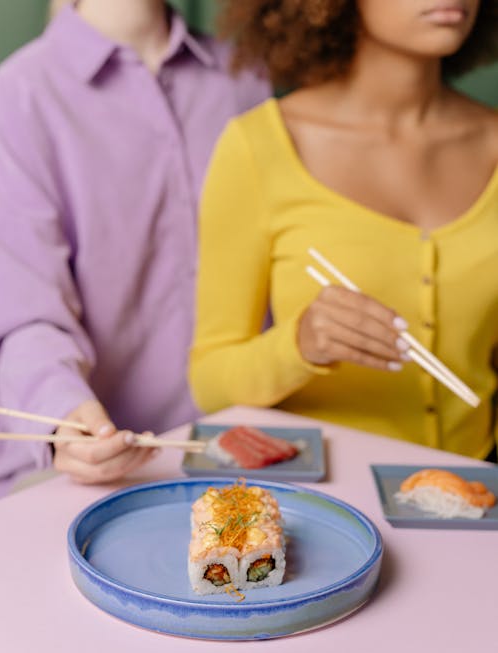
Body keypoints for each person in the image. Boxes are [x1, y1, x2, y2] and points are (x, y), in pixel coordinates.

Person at [189, 0, 498, 460]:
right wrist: (301, 344)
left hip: (478, 504)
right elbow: (210, 381)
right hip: (328, 506)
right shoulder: (259, 148)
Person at [0, 0, 269, 496]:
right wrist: (62, 418)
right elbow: (24, 308)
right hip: (89, 476)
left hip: (243, 452)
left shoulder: (248, 78)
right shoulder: (18, 97)